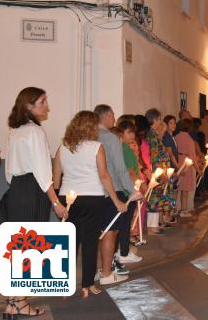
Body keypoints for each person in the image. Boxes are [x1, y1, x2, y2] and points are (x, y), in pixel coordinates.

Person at [3, 87, 67, 318]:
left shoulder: (15, 131)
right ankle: (20, 302)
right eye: (42, 101)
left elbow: (9, 172)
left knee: (17, 245)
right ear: (29, 106)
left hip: (18, 189)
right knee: (30, 247)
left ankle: (13, 301)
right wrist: (55, 202)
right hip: (33, 189)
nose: (47, 105)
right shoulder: (35, 132)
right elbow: (42, 172)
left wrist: (19, 189)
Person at [52, 111, 131, 298]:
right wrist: (116, 200)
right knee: (89, 243)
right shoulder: (97, 147)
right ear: (91, 127)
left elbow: (55, 178)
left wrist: (56, 202)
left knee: (69, 243)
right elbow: (104, 176)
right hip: (92, 199)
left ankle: (65, 286)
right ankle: (87, 285)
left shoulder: (63, 147)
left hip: (68, 198)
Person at [93, 104, 137, 284]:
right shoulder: (110, 138)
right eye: (112, 115)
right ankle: (106, 273)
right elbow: (120, 169)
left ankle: (100, 269)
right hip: (112, 189)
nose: (114, 119)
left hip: (93, 189)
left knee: (100, 233)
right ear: (107, 115)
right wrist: (133, 190)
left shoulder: (89, 137)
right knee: (111, 232)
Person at [117, 120, 144, 262]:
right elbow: (130, 171)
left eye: (133, 132)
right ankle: (124, 253)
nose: (132, 135)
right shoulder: (124, 148)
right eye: (129, 132)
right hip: (129, 190)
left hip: (128, 189)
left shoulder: (124, 147)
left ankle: (123, 251)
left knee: (124, 223)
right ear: (122, 133)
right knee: (125, 223)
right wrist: (136, 188)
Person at [174, 119, 200, 217]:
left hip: (178, 161)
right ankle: (183, 211)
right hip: (187, 164)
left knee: (177, 189)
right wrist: (198, 170)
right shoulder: (190, 140)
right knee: (185, 190)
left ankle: (176, 208)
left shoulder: (176, 137)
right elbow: (193, 157)